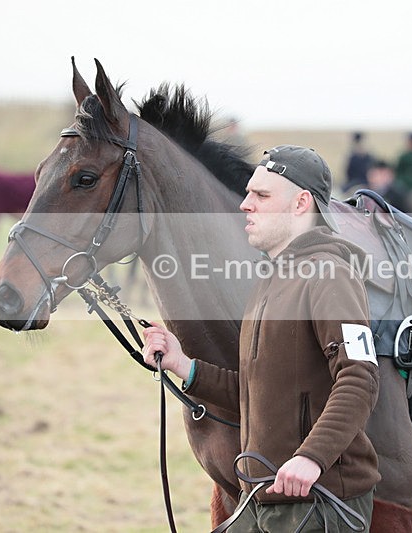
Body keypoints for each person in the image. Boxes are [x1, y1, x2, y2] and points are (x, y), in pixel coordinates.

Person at [143, 145, 381, 531]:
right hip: (261, 500)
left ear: (301, 203)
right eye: (250, 192)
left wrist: (312, 458)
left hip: (317, 504)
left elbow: (360, 377)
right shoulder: (270, 280)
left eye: (262, 195)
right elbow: (256, 388)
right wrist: (183, 365)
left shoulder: (330, 274)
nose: (245, 204)